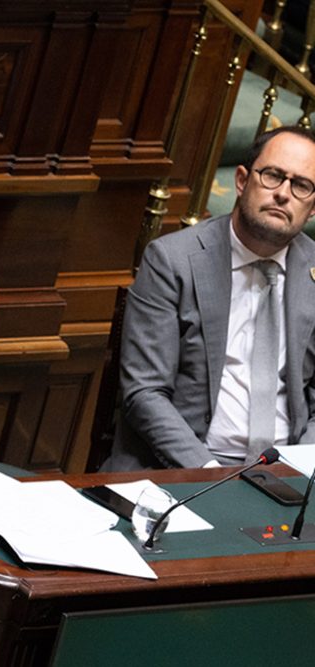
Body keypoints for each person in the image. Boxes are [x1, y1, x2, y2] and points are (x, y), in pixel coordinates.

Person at [102, 126, 315, 471]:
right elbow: (144, 393)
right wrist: (211, 475)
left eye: (301, 185)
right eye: (273, 176)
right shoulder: (172, 260)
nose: (283, 194)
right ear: (243, 181)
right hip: (184, 469)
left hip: (284, 475)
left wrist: (301, 470)